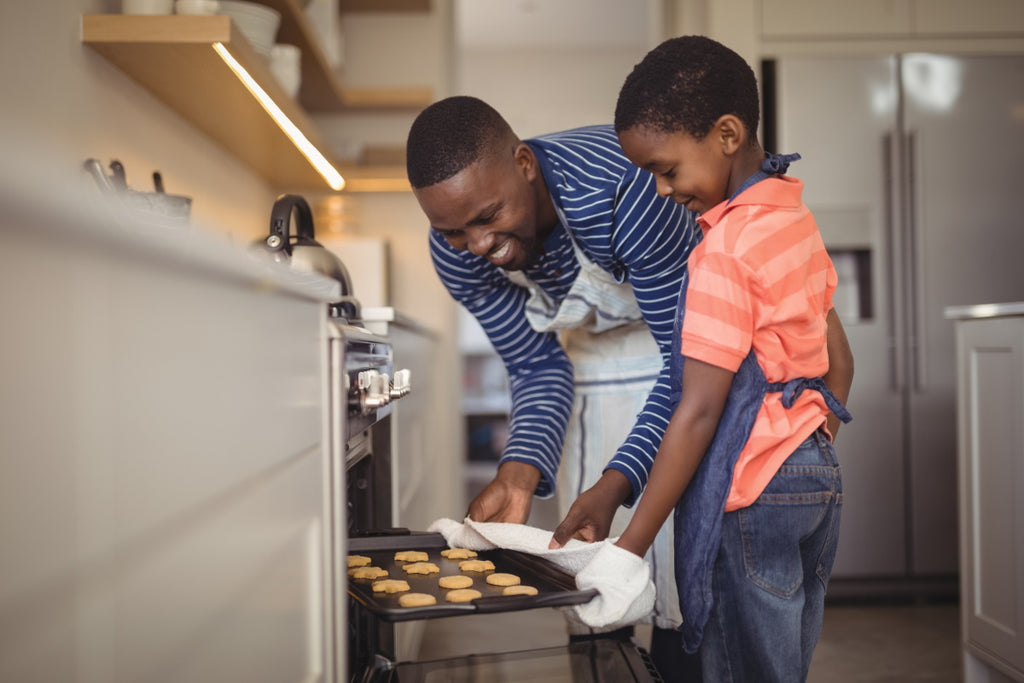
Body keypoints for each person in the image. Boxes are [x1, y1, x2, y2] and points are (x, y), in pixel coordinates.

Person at [571, 35, 855, 683]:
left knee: (738, 667)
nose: (662, 189)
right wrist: (806, 444)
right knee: (783, 662)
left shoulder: (723, 251)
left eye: (666, 169)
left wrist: (629, 548)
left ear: (727, 133)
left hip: (752, 492)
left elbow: (697, 412)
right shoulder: (794, 218)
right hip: (817, 482)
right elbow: (840, 361)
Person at [405, 95, 702, 678]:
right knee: (593, 608)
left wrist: (618, 484)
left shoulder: (624, 187)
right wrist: (518, 470)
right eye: (454, 231)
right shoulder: (455, 250)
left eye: (488, 217)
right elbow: (539, 366)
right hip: (594, 378)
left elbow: (687, 364)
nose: (479, 247)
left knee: (683, 598)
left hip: (690, 372)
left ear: (523, 164)